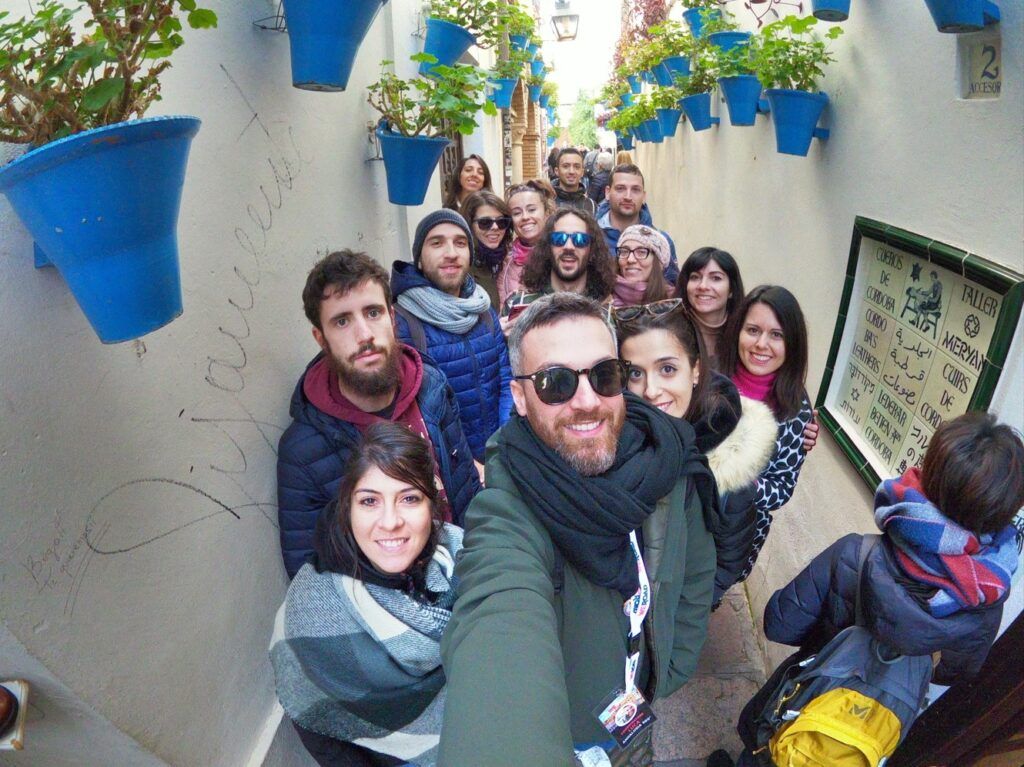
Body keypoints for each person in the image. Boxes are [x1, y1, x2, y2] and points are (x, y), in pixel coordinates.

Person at [439, 293, 719, 766]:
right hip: (573, 732)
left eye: (604, 375)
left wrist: (673, 665)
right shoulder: (508, 509)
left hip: (636, 704)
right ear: (520, 398)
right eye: (555, 383)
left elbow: (694, 569)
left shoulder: (664, 455)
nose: (587, 402)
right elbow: (498, 617)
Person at [721, 411, 1024, 767]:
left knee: (766, 748)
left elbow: (778, 623)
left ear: (930, 476)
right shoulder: (985, 601)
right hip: (870, 729)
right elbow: (954, 672)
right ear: (1003, 510)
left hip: (803, 699)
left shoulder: (857, 554)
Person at [276, 250, 480, 578]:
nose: (364, 335)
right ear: (321, 339)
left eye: (373, 313)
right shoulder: (303, 449)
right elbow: (311, 575)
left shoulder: (432, 387)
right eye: (342, 321)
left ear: (392, 318)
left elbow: (467, 494)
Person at [271, 422, 463, 767]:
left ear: (431, 506)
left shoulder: (462, 555)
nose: (390, 522)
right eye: (370, 501)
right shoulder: (312, 608)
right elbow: (321, 730)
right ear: (348, 507)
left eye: (409, 498)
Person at [617, 304, 777, 607]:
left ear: (696, 370)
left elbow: (725, 564)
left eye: (667, 369)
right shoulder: (616, 440)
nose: (650, 391)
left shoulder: (730, 465)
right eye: (635, 373)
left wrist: (686, 611)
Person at [390, 210, 513, 466]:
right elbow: (412, 415)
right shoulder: (403, 323)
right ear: (420, 259)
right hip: (447, 467)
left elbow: (505, 380)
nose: (451, 253)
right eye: (437, 243)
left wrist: (503, 443)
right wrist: (466, 464)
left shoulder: (483, 312)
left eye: (460, 243)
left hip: (498, 456)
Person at [719, 285, 815, 579]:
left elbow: (782, 488)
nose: (762, 344)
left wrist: (737, 484)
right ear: (738, 332)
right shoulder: (709, 381)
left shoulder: (796, 409)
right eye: (753, 330)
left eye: (777, 335)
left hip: (734, 538)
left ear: (792, 344)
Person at [503, 208, 615, 322]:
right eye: (559, 238)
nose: (569, 246)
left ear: (592, 250)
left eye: (580, 239)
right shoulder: (518, 307)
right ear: (547, 247)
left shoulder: (605, 316)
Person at [598, 164, 678, 284]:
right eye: (620, 188)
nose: (628, 197)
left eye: (635, 190)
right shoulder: (589, 237)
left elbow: (673, 287)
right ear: (608, 192)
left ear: (644, 196)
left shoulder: (661, 242)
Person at [676, 247, 745, 370]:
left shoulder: (743, 332)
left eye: (716, 278)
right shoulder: (670, 330)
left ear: (731, 290)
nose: (703, 286)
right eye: (695, 277)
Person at [498, 179, 556, 306]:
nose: (525, 217)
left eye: (531, 210)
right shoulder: (505, 258)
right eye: (517, 213)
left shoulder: (561, 252)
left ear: (547, 213)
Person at [462, 190, 512, 308]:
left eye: (501, 222)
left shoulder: (506, 259)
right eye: (485, 222)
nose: (495, 227)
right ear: (469, 225)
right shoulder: (464, 265)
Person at [611, 224, 673, 308]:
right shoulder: (602, 297)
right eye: (624, 251)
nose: (630, 259)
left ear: (658, 263)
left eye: (641, 252)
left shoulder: (673, 302)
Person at [552, 147, 596, 215]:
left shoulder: (591, 206)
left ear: (582, 172)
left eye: (577, 167)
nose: (571, 171)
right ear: (557, 171)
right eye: (566, 166)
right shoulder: (547, 203)